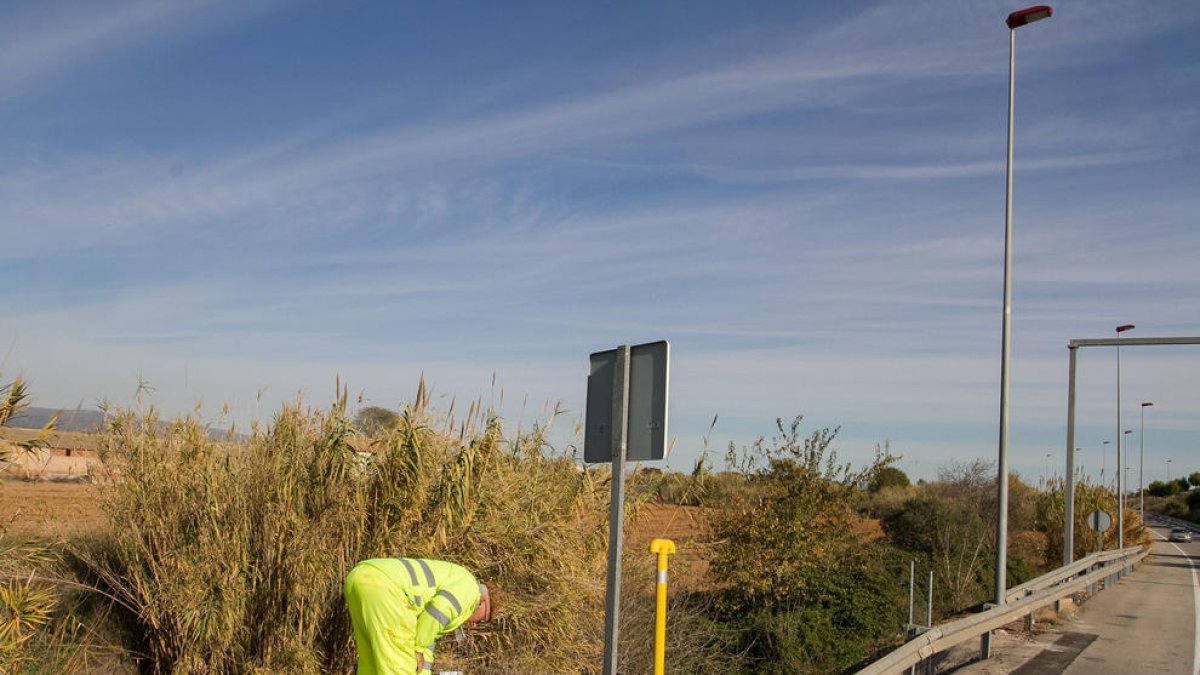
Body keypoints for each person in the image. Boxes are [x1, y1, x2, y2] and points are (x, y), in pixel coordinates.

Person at [344, 557, 493, 675]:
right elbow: (438, 611)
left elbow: (424, 650)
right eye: (482, 620)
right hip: (388, 591)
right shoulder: (469, 588)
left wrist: (420, 651)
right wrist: (419, 648)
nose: (474, 625)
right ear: (483, 602)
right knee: (400, 667)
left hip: (359, 578)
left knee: (371, 666)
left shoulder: (452, 582)